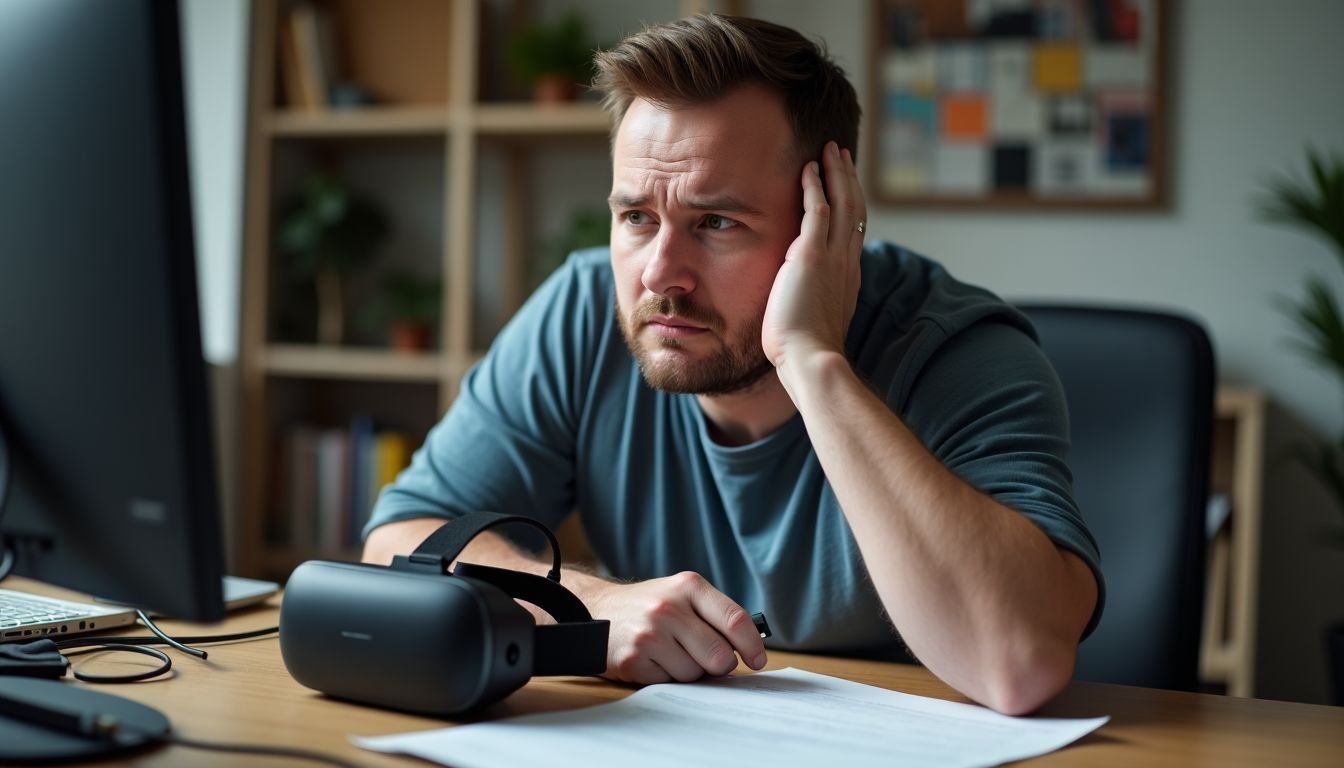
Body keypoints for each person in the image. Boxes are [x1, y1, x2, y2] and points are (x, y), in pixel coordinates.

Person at [363, 14, 1102, 715]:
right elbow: (400, 542)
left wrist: (812, 360)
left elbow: (1018, 664)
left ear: (830, 222)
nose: (660, 274)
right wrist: (589, 607)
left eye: (716, 223)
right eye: (637, 218)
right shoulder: (583, 312)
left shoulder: (957, 348)